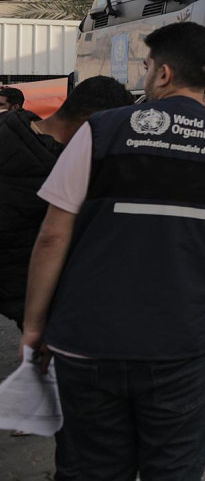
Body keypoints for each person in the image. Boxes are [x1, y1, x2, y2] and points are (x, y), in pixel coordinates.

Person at [21, 22, 205, 479]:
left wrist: (34, 327)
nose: (144, 77)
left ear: (165, 73)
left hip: (88, 342)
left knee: (90, 469)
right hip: (182, 346)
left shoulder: (100, 131)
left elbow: (53, 235)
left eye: (147, 67)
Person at [0, 76, 134, 328]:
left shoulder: (9, 124)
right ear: (89, 121)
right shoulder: (64, 169)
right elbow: (52, 238)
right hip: (22, 285)